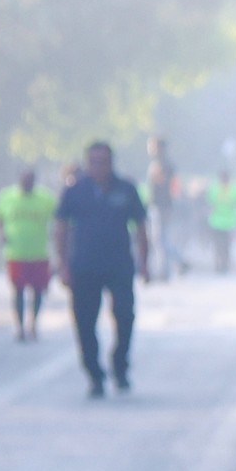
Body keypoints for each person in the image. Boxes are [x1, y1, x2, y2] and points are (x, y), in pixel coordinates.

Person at [53, 140, 152, 398]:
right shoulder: (75, 191)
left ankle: (120, 366)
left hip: (119, 265)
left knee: (125, 316)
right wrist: (62, 264)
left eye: (103, 162)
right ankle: (94, 374)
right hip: (84, 266)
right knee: (85, 322)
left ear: (111, 163)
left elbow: (141, 227)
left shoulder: (126, 189)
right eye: (94, 162)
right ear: (87, 163)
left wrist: (145, 262)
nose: (99, 167)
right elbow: (61, 228)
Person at [0, 166, 56, 342]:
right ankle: (20, 327)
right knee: (18, 290)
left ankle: (34, 324)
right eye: (24, 178)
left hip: (39, 252)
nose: (27, 182)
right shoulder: (7, 196)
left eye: (30, 179)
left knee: (38, 291)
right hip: (16, 253)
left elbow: (59, 218)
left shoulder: (46, 198)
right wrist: (1, 233)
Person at [145, 136, 183, 279]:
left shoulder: (162, 164)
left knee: (159, 239)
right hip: (162, 205)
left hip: (161, 205)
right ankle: (174, 264)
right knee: (159, 239)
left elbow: (167, 185)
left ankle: (166, 270)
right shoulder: (162, 163)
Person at [207, 165, 236, 275]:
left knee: (226, 245)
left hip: (229, 222)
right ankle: (218, 264)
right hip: (216, 221)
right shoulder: (215, 189)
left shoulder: (234, 189)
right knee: (218, 245)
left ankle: (224, 264)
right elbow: (209, 203)